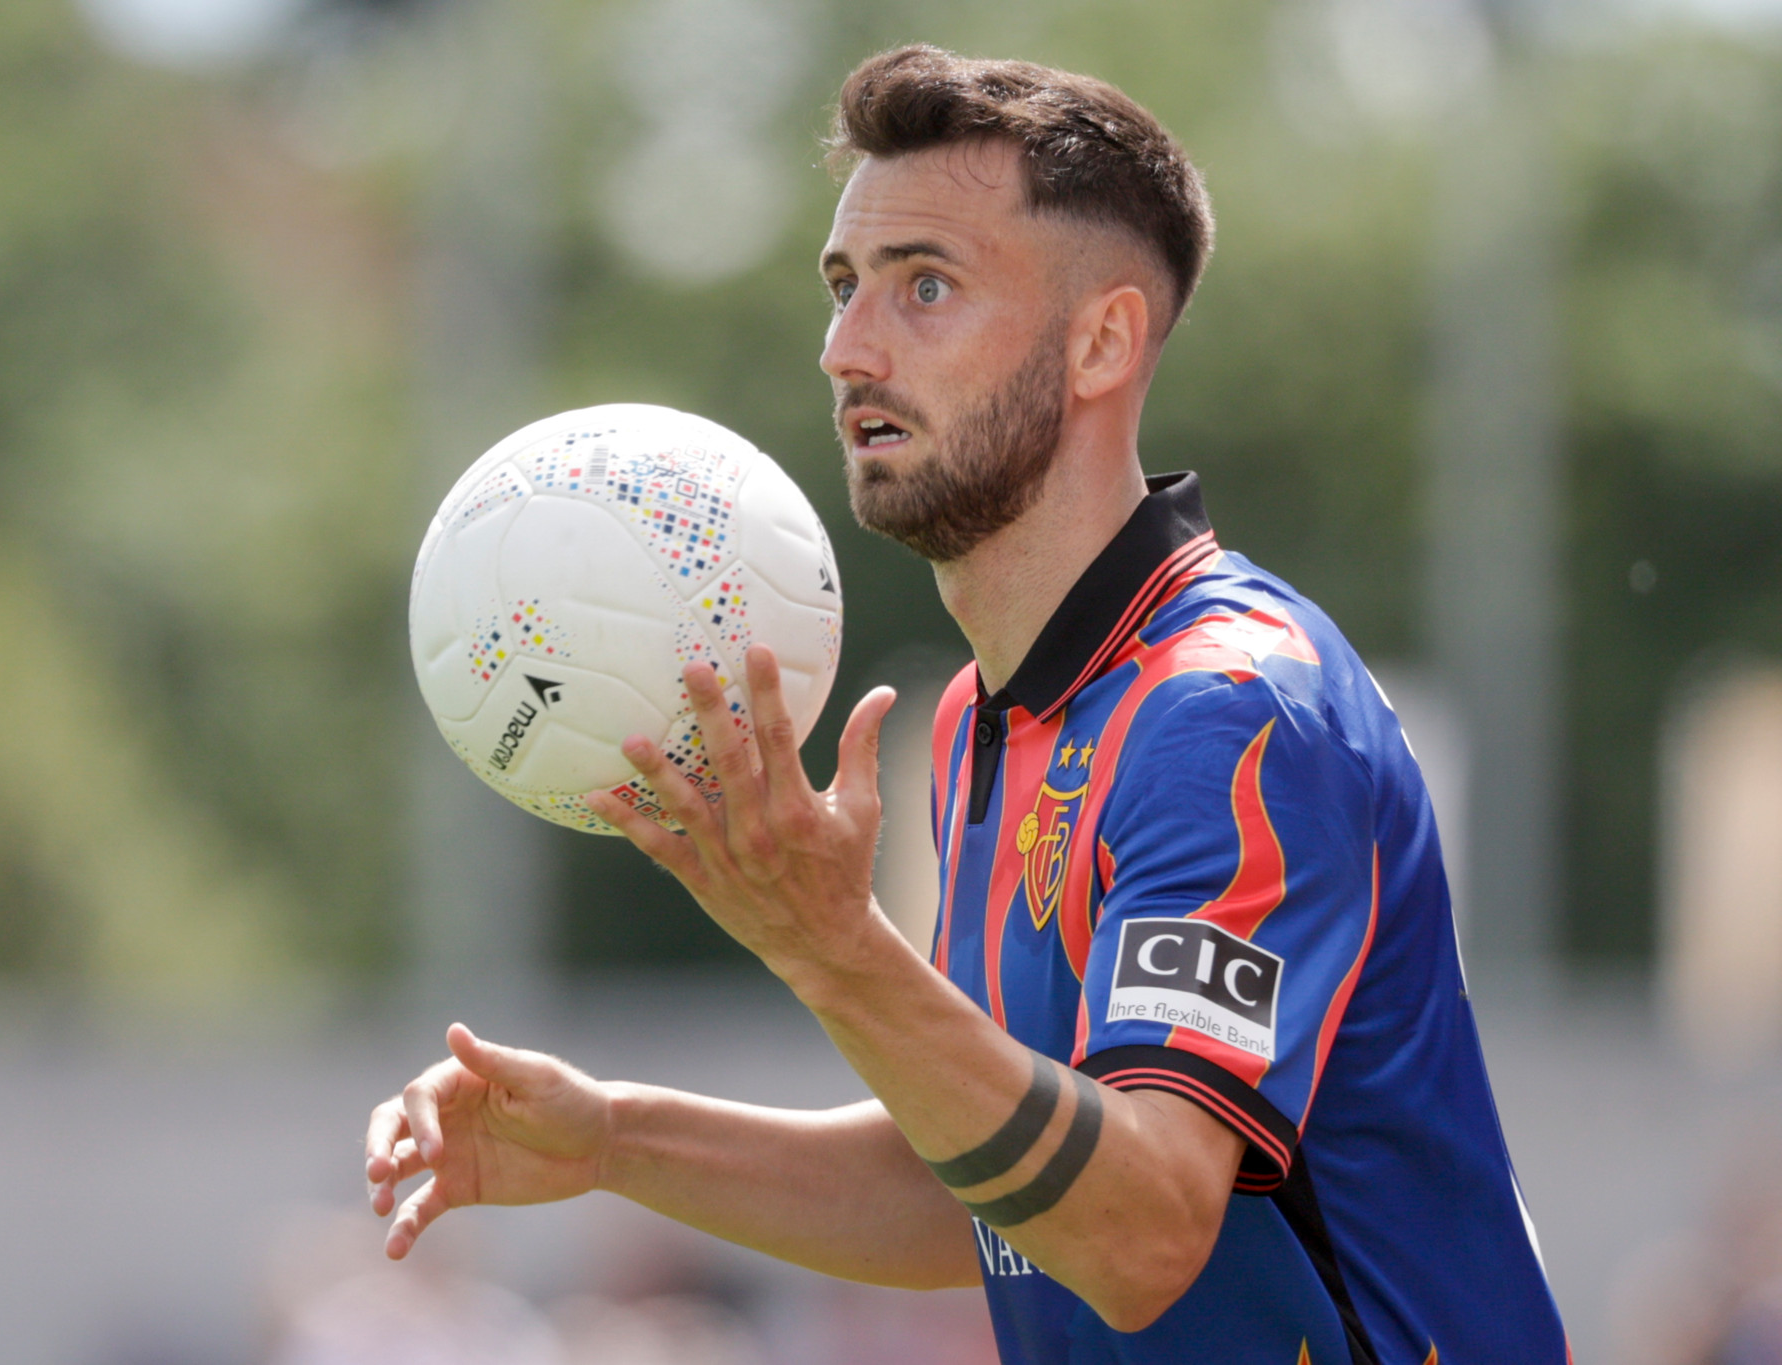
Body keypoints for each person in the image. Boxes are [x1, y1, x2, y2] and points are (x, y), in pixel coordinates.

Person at [365, 45, 1568, 1363]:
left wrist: (836, 949)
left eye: (924, 285)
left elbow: (1143, 1229)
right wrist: (612, 1138)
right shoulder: (988, 722)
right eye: (844, 287)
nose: (845, 349)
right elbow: (998, 1183)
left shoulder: (1229, 711)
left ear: (1102, 341)